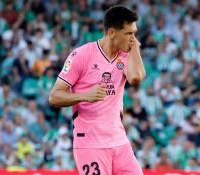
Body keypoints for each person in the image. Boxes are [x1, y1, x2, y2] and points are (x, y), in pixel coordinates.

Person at [49, 5, 145, 175]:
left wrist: (135, 47)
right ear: (112, 33)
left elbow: (136, 77)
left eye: (134, 33)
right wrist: (85, 95)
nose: (132, 38)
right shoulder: (82, 55)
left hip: (119, 141)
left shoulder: (124, 56)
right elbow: (54, 97)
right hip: (90, 143)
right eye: (129, 33)